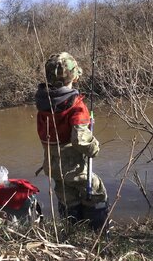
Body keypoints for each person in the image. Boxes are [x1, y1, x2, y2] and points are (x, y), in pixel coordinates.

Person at [35, 52, 108, 230]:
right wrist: (94, 147)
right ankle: (98, 233)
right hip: (74, 166)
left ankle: (72, 231)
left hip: (53, 166)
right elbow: (80, 140)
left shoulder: (42, 104)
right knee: (96, 192)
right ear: (74, 78)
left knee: (67, 199)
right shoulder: (76, 105)